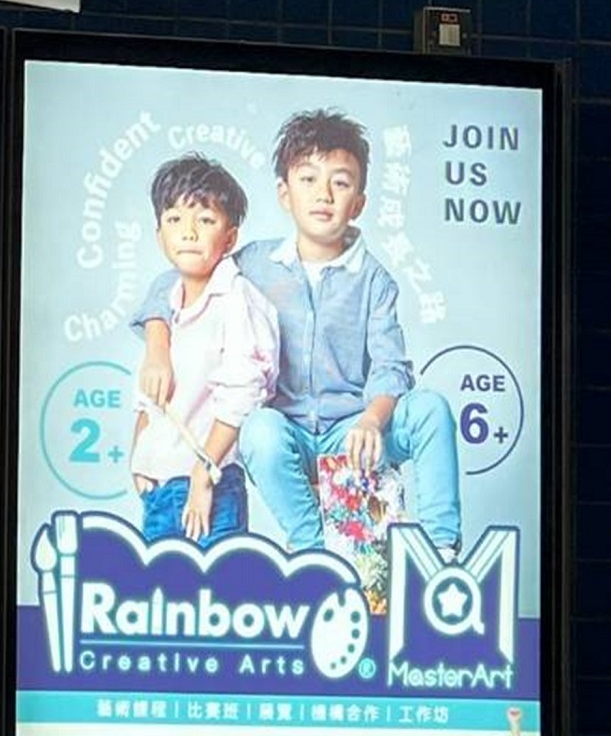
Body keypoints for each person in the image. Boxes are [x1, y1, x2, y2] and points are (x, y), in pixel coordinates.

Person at [136, 111, 461, 556]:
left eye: (340, 182)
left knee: (430, 409)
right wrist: (157, 341)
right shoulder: (252, 263)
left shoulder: (375, 281)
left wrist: (371, 418)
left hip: (353, 433)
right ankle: (313, 550)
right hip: (286, 434)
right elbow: (181, 275)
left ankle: (443, 548)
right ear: (285, 194)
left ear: (359, 202)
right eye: (308, 179)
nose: (323, 194)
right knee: (260, 429)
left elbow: (391, 367)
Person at [129, 154, 280, 549]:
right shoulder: (167, 305)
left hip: (214, 486)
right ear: (159, 234)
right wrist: (139, 460)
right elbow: (150, 398)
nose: (189, 232)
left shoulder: (237, 300)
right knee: (159, 604)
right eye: (175, 220)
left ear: (230, 238)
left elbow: (245, 392)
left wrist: (204, 471)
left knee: (221, 598)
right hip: (160, 489)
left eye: (206, 220)